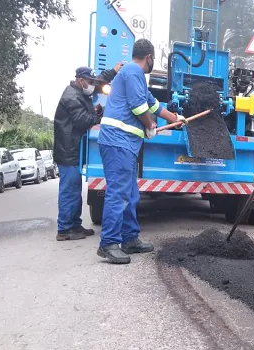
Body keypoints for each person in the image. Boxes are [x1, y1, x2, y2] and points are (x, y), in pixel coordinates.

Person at [96, 38, 186, 264]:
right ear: (149, 57)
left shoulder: (132, 76)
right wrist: (149, 125)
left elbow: (153, 105)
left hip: (123, 144)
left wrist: (175, 119)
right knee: (118, 192)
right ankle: (108, 243)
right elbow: (139, 108)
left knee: (130, 193)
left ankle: (130, 239)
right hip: (118, 142)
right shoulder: (133, 72)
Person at [53, 64, 120, 241]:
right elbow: (82, 120)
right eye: (89, 81)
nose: (92, 84)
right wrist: (100, 116)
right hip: (68, 152)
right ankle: (64, 229)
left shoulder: (78, 92)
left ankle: (75, 225)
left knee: (75, 190)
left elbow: (98, 82)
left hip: (73, 150)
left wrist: (113, 71)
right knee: (69, 191)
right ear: (80, 80)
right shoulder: (71, 97)